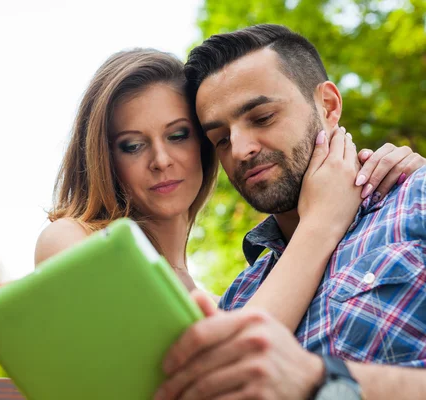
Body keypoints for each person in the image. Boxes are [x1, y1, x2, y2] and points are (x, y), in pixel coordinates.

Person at [34, 48, 423, 332]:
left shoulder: (231, 296)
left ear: (204, 143)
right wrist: (322, 220)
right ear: (104, 157)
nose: (161, 160)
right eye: (132, 145)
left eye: (178, 135)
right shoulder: (72, 240)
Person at [156, 24, 426, 400]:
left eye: (262, 117)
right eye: (221, 139)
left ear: (328, 106)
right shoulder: (239, 298)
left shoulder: (417, 197)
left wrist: (324, 381)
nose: (240, 149)